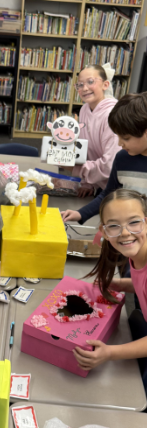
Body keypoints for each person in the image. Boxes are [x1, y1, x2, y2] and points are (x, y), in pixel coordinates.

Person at [76, 187, 147, 391]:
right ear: (104, 232)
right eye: (114, 226)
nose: (125, 232)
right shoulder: (137, 254)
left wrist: (110, 353)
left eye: (134, 222)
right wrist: (120, 284)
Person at [62, 93, 147, 227]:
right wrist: (81, 213)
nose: (120, 144)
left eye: (126, 138)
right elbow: (109, 194)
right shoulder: (122, 158)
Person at [76, 63, 120, 196]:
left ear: (105, 85)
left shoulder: (113, 114)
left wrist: (76, 169)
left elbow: (109, 165)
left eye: (90, 82)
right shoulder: (84, 109)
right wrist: (87, 183)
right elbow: (85, 149)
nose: (84, 88)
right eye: (79, 84)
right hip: (98, 183)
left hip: (117, 189)